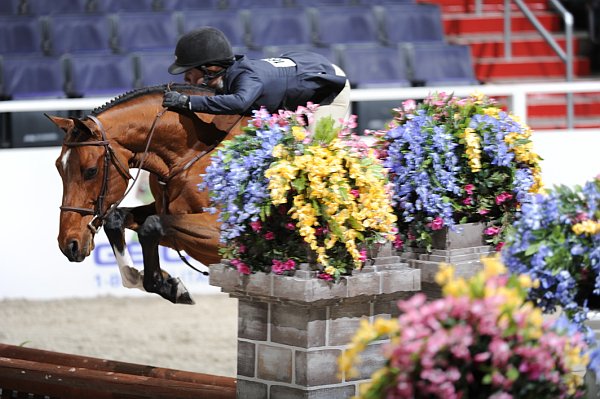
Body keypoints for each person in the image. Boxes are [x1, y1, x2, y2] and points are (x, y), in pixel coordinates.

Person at [162, 27, 351, 130]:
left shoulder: (247, 77)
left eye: (189, 71)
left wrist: (187, 102)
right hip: (299, 75)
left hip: (329, 87)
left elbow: (239, 103)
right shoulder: (229, 76)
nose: (185, 77)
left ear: (210, 68)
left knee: (314, 153)